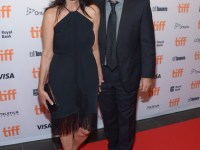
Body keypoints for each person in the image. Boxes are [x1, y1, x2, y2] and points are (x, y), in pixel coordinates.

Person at [38, 0, 103, 149]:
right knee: (65, 125)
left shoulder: (93, 12)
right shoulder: (51, 14)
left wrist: (99, 74)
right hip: (61, 76)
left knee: (85, 130)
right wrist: (41, 87)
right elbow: (47, 53)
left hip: (88, 75)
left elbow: (95, 48)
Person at [94, 0, 156, 149]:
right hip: (101, 75)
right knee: (108, 118)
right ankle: (113, 146)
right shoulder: (94, 4)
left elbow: (147, 41)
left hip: (128, 73)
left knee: (126, 120)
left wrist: (147, 74)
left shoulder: (140, 4)